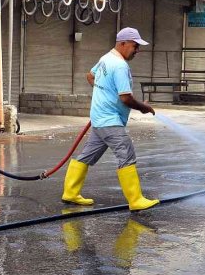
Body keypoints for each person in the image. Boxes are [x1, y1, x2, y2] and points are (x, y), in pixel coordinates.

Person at [62, 27, 159, 211]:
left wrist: (103, 94)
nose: (137, 50)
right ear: (123, 43)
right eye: (135, 46)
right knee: (126, 154)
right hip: (110, 120)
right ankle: (136, 200)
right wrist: (144, 108)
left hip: (100, 118)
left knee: (87, 156)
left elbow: (91, 76)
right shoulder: (120, 66)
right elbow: (126, 98)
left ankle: (71, 193)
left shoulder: (106, 58)